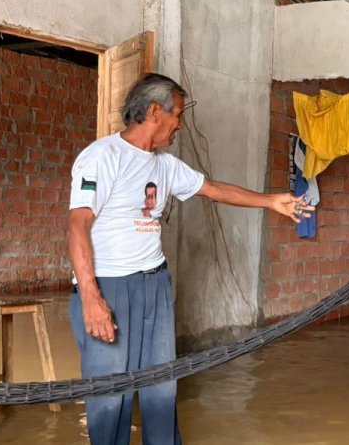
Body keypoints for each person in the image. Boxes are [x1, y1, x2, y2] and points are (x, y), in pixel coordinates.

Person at [68, 73, 310, 445]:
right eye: (177, 115)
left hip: (155, 286)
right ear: (154, 112)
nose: (180, 124)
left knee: (161, 389)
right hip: (110, 288)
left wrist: (270, 201)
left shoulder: (165, 165)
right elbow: (77, 227)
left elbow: (213, 189)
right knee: (109, 397)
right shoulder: (103, 157)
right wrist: (91, 298)